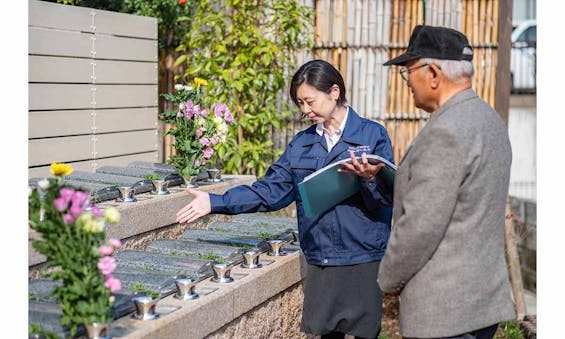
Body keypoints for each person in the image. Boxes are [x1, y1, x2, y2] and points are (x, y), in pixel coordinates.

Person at [176, 59, 394, 339]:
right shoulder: (301, 144)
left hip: (363, 254)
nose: (305, 110)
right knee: (327, 334)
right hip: (322, 256)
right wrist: (215, 201)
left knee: (365, 334)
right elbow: (270, 191)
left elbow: (387, 198)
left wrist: (370, 178)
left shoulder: (371, 134)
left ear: (335, 92)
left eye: (310, 101)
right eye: (300, 103)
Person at [378, 25, 517, 339]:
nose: (408, 82)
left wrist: (387, 279)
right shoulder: (489, 119)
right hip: (481, 301)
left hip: (444, 310)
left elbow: (421, 225)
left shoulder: (445, 132)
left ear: (433, 74)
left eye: (408, 71)